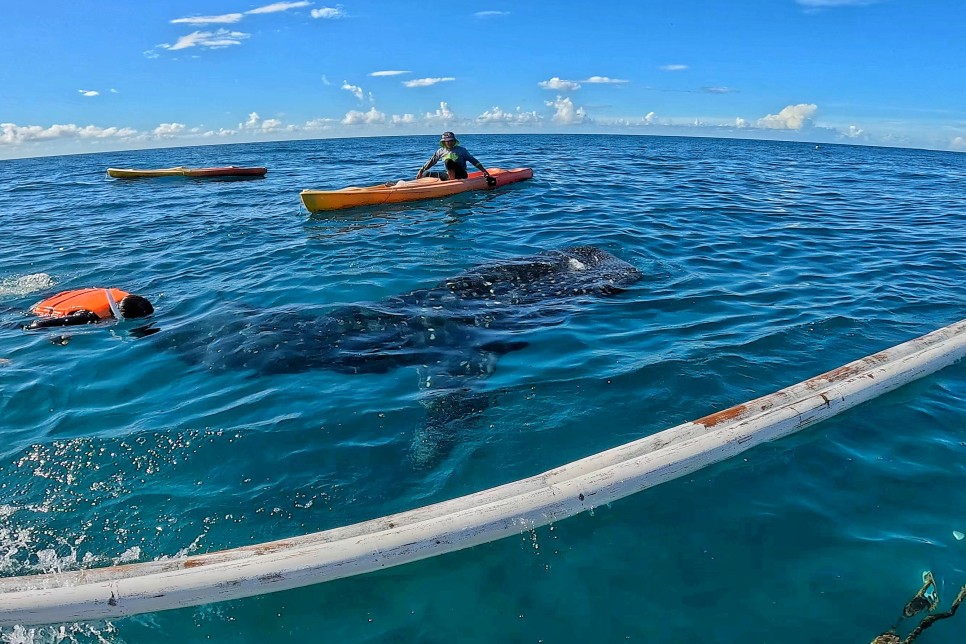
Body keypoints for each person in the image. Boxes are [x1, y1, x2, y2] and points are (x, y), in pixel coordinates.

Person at [24, 287, 153, 330]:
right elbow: (38, 324)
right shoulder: (88, 317)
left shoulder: (122, 297)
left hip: (59, 297)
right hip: (37, 310)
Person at [416, 131, 495, 184]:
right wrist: (421, 170)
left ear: (454, 141)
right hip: (449, 175)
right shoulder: (440, 151)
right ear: (444, 142)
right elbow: (432, 161)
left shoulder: (461, 150)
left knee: (448, 161)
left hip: (462, 174)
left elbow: (473, 160)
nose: (449, 143)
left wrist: (484, 171)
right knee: (425, 174)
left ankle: (452, 183)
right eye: (447, 141)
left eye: (451, 140)